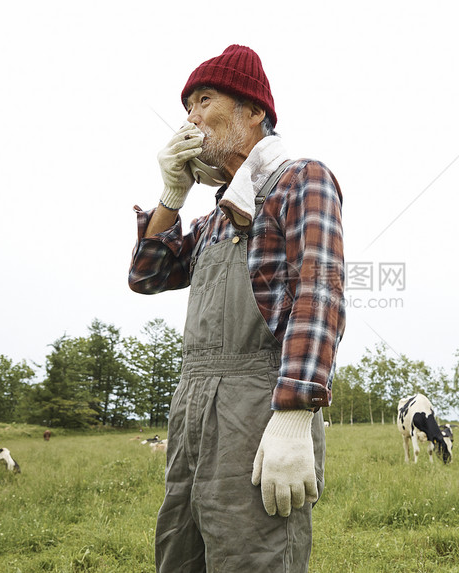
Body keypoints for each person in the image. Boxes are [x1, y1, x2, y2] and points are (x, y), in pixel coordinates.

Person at [128, 45, 345, 572]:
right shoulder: (217, 219)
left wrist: (294, 414)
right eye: (186, 108)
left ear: (254, 113)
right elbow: (147, 275)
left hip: (257, 410)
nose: (191, 118)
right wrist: (172, 194)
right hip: (193, 412)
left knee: (254, 558)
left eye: (204, 100)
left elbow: (319, 297)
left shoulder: (299, 181)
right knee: (181, 556)